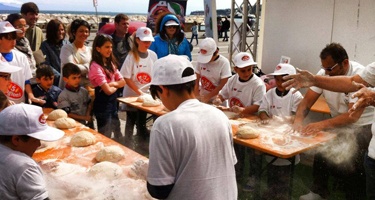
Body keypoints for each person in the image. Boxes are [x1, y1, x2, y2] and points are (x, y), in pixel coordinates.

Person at [284, 43, 373, 200]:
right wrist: (298, 122)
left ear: (345, 63)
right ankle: (319, 192)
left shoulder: (360, 73)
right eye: (324, 68)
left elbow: (352, 116)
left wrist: (320, 125)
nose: (326, 73)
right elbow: (306, 103)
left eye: (330, 69)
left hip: (362, 126)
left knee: (353, 164)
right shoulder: (324, 74)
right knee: (321, 150)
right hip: (338, 121)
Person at [146, 54, 237, 199]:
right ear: (193, 84)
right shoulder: (220, 116)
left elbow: (159, 189)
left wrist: (147, 173)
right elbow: (228, 164)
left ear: (163, 89)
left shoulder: (164, 125)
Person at [213, 52, 266, 192]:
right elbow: (222, 94)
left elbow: (258, 106)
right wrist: (218, 99)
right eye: (243, 70)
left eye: (249, 69)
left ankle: (253, 177)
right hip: (234, 122)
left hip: (252, 123)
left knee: (253, 154)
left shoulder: (258, 84)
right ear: (235, 69)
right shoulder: (232, 80)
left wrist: (243, 110)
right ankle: (236, 175)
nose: (247, 73)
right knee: (236, 151)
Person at [257, 63, 303, 199]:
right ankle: (271, 191)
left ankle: (281, 194)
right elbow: (262, 109)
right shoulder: (270, 93)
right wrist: (265, 118)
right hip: (271, 136)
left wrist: (283, 120)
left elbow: (296, 117)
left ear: (292, 80)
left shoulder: (296, 96)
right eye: (277, 80)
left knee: (284, 172)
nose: (279, 83)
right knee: (271, 168)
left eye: (283, 80)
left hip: (287, 138)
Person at [0, 104, 64, 199]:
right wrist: (29, 171)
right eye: (35, 140)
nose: (39, 144)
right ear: (16, 139)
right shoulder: (24, 166)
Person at [120, 27, 157, 138]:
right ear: (137, 40)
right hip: (132, 95)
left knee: (141, 121)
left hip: (146, 96)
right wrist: (139, 92)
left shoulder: (153, 55)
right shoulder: (131, 56)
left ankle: (141, 144)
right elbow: (126, 77)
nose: (148, 44)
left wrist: (148, 94)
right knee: (130, 122)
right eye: (145, 41)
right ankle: (128, 143)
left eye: (149, 41)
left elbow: (155, 75)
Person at [88, 34, 125, 138]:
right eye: (107, 47)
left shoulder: (110, 64)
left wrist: (112, 84)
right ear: (98, 49)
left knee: (117, 130)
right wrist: (116, 85)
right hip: (102, 106)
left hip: (113, 103)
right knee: (105, 135)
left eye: (111, 47)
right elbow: (107, 91)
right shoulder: (95, 66)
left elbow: (123, 82)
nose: (110, 50)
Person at [0, 21, 36, 104]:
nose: (13, 41)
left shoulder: (22, 57)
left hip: (19, 103)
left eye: (14, 38)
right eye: (9, 38)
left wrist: (31, 96)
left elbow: (26, 81)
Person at [194, 37, 232, 103]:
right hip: (202, 97)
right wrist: (196, 94)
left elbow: (223, 84)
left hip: (218, 99)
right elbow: (196, 80)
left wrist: (209, 96)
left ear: (216, 52)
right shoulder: (200, 60)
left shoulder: (224, 62)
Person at [59, 19, 92, 89]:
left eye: (86, 31)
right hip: (70, 90)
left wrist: (79, 66)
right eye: (81, 31)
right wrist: (88, 66)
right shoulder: (66, 48)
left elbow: (97, 67)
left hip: (87, 89)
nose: (84, 34)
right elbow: (71, 68)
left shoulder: (90, 50)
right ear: (74, 33)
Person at [6, 13, 37, 85]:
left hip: (35, 78)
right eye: (19, 26)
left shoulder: (25, 41)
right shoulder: (8, 46)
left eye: (25, 26)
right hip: (21, 82)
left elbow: (32, 62)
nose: (23, 29)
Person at [40, 19, 68, 86]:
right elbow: (46, 64)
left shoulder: (67, 43)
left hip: (68, 79)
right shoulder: (45, 45)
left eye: (62, 30)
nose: (61, 32)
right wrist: (61, 78)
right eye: (58, 30)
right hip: (54, 80)